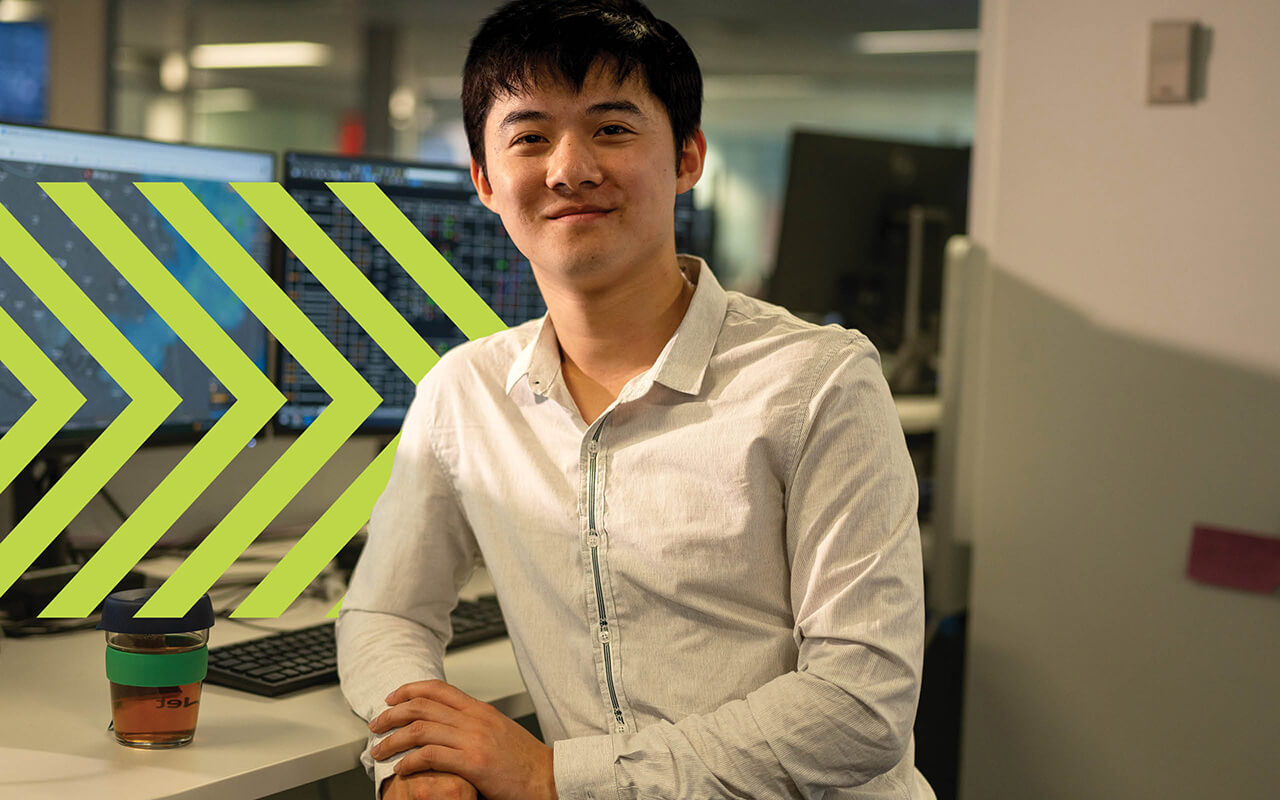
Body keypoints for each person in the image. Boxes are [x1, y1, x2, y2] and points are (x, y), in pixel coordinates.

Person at [337, 1, 936, 798]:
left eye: (613, 130)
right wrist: (410, 756)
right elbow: (386, 617)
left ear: (688, 157)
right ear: (484, 179)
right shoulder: (465, 393)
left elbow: (861, 704)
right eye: (529, 137)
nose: (569, 168)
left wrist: (555, 777)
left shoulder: (818, 381)